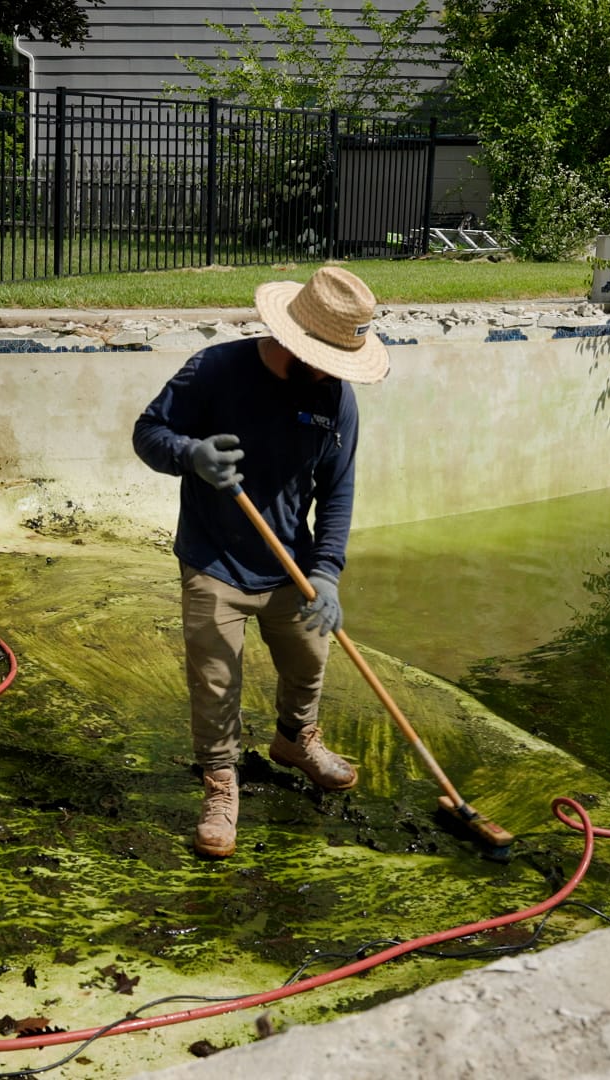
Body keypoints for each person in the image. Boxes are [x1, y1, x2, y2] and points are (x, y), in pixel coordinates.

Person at [132, 266, 390, 858]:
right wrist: (190, 455)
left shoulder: (334, 398)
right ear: (292, 339)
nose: (328, 373)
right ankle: (221, 781)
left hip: (290, 566)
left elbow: (338, 490)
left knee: (309, 658)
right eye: (322, 358)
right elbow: (149, 433)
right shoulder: (215, 371)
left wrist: (326, 571)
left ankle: (297, 739)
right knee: (216, 678)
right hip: (212, 558)